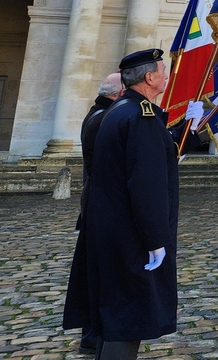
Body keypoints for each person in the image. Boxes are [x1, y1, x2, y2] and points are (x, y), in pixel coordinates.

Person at [63, 48, 197, 360]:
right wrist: (155, 239)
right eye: (162, 70)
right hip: (131, 234)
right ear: (150, 77)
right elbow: (146, 184)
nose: (166, 75)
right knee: (130, 314)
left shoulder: (120, 110)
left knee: (115, 310)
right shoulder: (142, 117)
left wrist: (190, 131)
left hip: (110, 226)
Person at [75, 73, 124, 353]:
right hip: (101, 207)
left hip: (97, 205)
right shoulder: (104, 119)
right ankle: (94, 338)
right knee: (100, 274)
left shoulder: (100, 114)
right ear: (118, 94)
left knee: (96, 272)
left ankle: (93, 337)